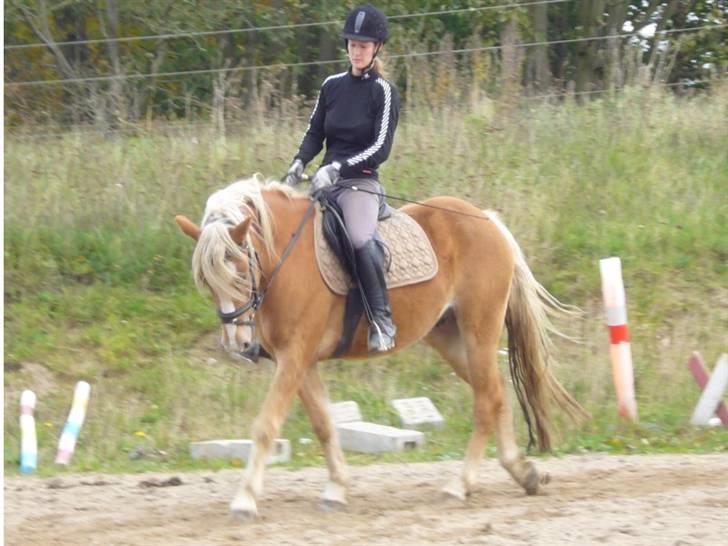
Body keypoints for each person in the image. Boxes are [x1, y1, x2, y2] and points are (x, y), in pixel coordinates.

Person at [283, 3, 400, 352]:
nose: (357, 50)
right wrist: (298, 163)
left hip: (360, 183)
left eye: (364, 45)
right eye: (352, 43)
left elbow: (380, 148)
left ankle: (382, 320)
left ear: (377, 47)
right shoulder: (331, 86)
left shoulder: (384, 92)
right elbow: (315, 133)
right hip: (323, 181)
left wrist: (337, 168)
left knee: (360, 238)